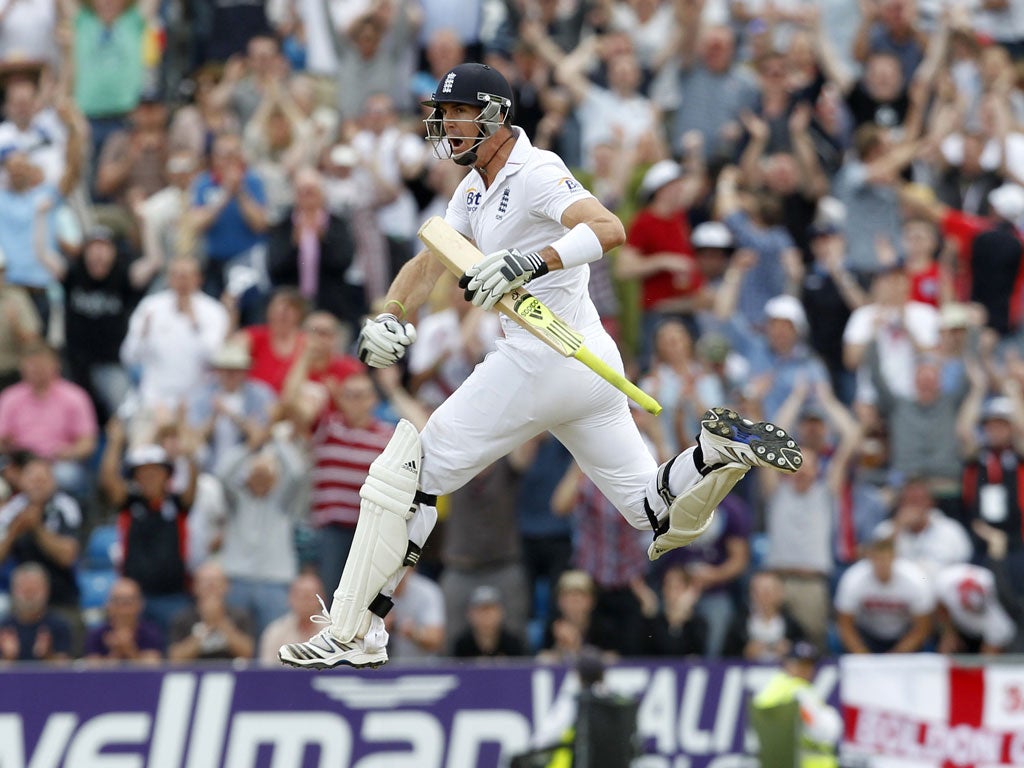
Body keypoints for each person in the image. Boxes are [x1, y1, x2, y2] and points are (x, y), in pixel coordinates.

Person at [278, 62, 802, 670]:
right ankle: (712, 454)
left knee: (407, 476)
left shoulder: (536, 171)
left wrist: (532, 262)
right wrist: (392, 312)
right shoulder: (473, 188)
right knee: (653, 512)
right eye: (443, 115)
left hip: (542, 356)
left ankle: (356, 630)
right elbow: (431, 258)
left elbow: (609, 228)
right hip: (587, 362)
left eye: (458, 113)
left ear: (495, 116)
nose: (446, 126)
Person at [750, 641, 841, 768]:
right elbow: (823, 731)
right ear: (788, 664)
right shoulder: (800, 692)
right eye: (801, 664)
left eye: (809, 665)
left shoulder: (769, 688)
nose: (806, 670)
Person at [82, 576, 165, 665]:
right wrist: (116, 652)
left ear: (140, 604)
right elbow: (93, 670)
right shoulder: (96, 635)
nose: (123, 609)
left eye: (128, 602)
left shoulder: (151, 633)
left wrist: (129, 649)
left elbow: (152, 668)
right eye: (117, 601)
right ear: (108, 605)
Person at [0, 562, 71, 662]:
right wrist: (7, 658)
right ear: (13, 590)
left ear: (47, 590)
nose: (29, 595)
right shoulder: (3, 627)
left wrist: (48, 656)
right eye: (24, 589)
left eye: (34, 589)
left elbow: (66, 667)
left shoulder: (59, 626)